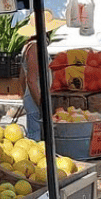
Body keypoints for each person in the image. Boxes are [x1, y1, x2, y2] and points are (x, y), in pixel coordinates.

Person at [17, 9, 64, 141]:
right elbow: (31, 81)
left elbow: (22, 77)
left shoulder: (28, 46)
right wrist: (41, 104)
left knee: (37, 137)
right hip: (35, 100)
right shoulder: (35, 48)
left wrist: (24, 96)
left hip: (32, 98)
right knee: (36, 140)